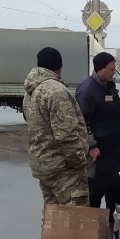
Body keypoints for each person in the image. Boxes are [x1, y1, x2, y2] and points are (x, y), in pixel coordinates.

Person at [22, 47, 89, 206]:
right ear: (59, 66)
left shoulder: (31, 90)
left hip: (44, 166)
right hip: (64, 170)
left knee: (53, 220)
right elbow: (66, 135)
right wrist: (79, 162)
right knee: (75, 220)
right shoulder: (56, 91)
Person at [75, 52, 120, 217]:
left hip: (114, 150)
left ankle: (115, 226)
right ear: (100, 69)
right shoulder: (87, 90)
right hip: (97, 152)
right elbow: (81, 122)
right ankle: (94, 230)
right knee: (95, 192)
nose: (114, 72)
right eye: (111, 69)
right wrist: (92, 146)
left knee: (115, 190)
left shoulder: (109, 86)